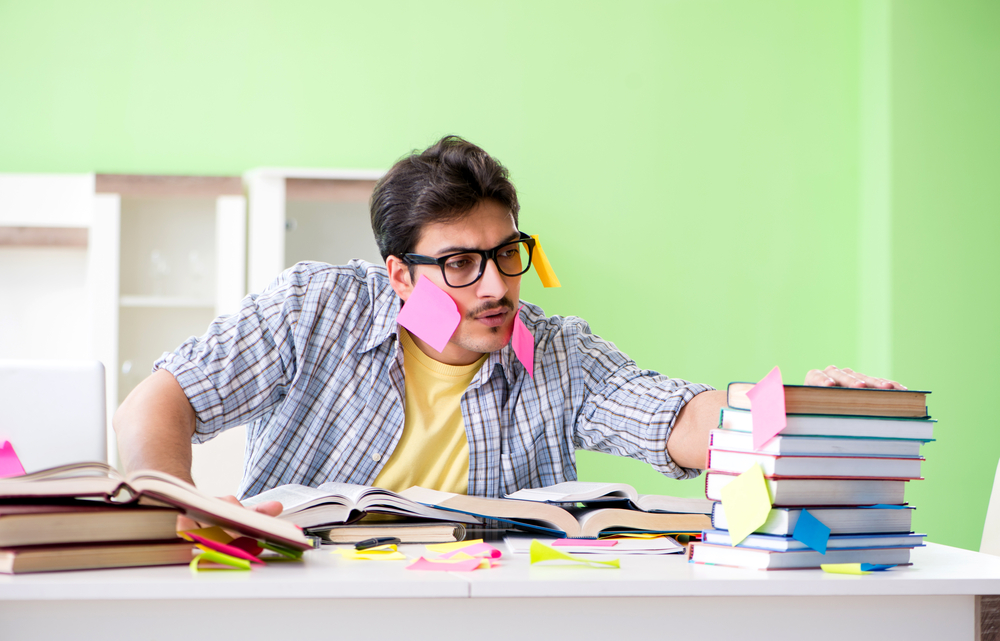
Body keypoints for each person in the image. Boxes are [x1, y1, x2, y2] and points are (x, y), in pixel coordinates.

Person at [113, 135, 904, 518]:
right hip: (309, 608)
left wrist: (794, 411)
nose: (495, 286)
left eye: (507, 253)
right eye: (460, 264)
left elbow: (680, 418)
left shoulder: (558, 354)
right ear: (399, 274)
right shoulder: (313, 307)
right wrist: (188, 515)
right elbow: (157, 403)